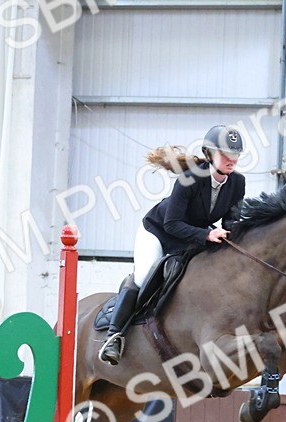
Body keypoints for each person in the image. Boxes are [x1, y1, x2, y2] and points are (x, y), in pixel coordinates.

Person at [99, 125, 247, 365]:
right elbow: (171, 224)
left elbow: (231, 221)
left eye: (236, 155)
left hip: (194, 235)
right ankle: (114, 335)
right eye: (225, 154)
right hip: (159, 231)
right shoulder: (189, 179)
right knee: (144, 277)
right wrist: (207, 236)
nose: (232, 159)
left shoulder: (237, 182)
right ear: (209, 155)